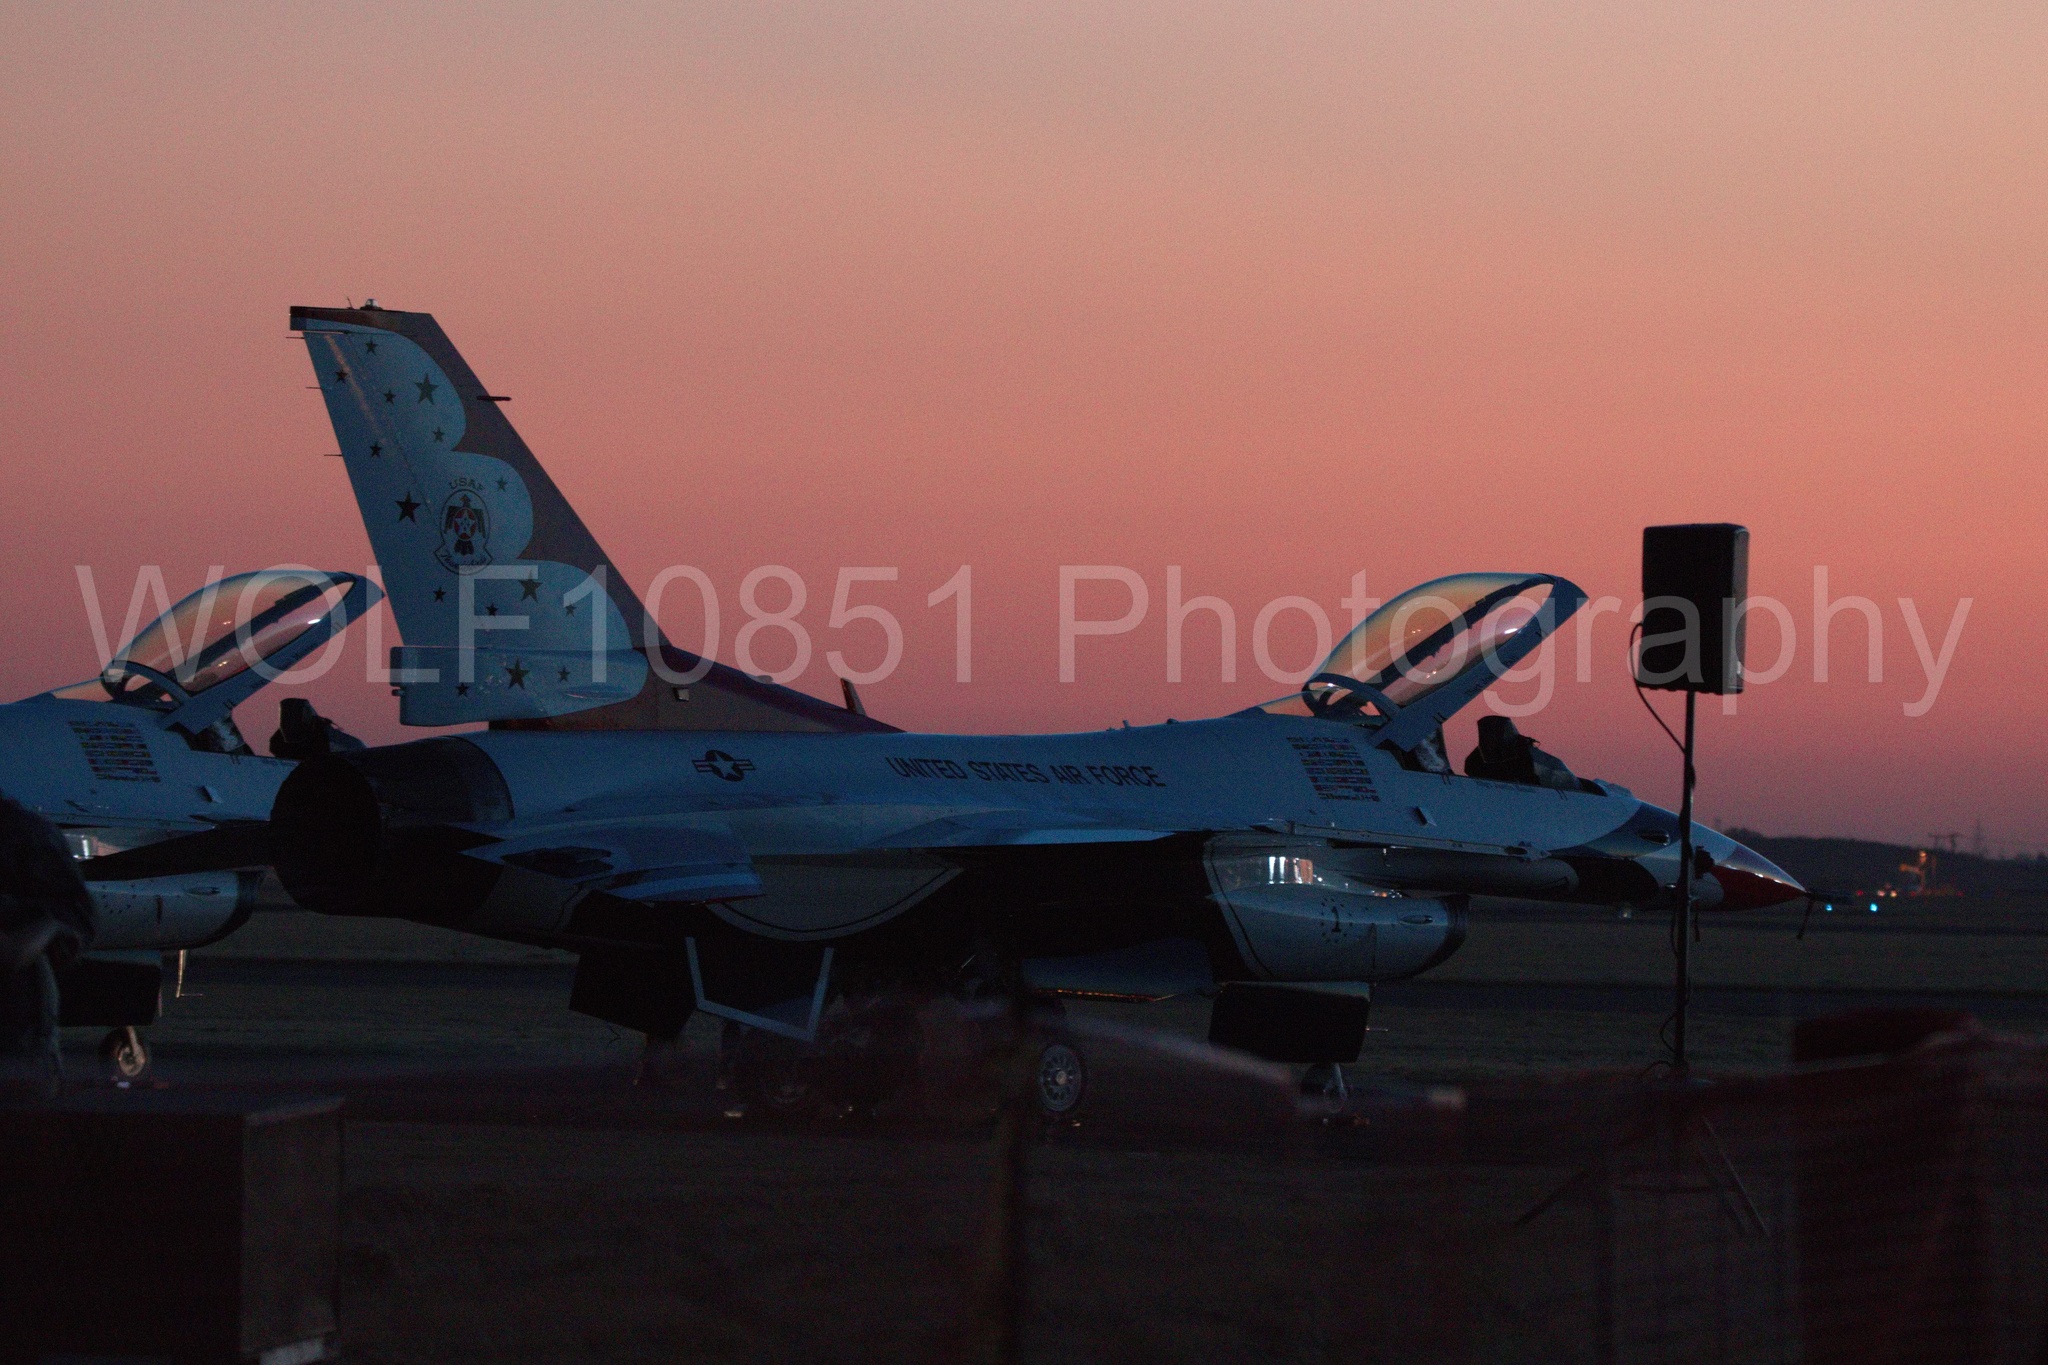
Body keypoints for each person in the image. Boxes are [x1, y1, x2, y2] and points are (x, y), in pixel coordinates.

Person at [0, 794, 95, 1100]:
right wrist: (49, 927)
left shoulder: (22, 832)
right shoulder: (25, 832)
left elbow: (76, 918)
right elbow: (14, 953)